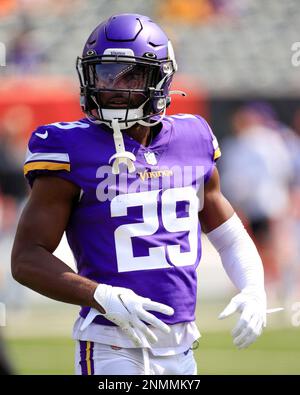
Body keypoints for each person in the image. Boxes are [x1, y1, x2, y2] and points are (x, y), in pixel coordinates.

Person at [11, 13, 267, 375]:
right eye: (102, 73)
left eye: (129, 74)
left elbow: (228, 236)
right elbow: (26, 259)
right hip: (112, 347)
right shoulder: (68, 147)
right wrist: (102, 295)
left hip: (182, 351)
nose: (111, 86)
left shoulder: (193, 137)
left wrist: (253, 288)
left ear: (160, 77)